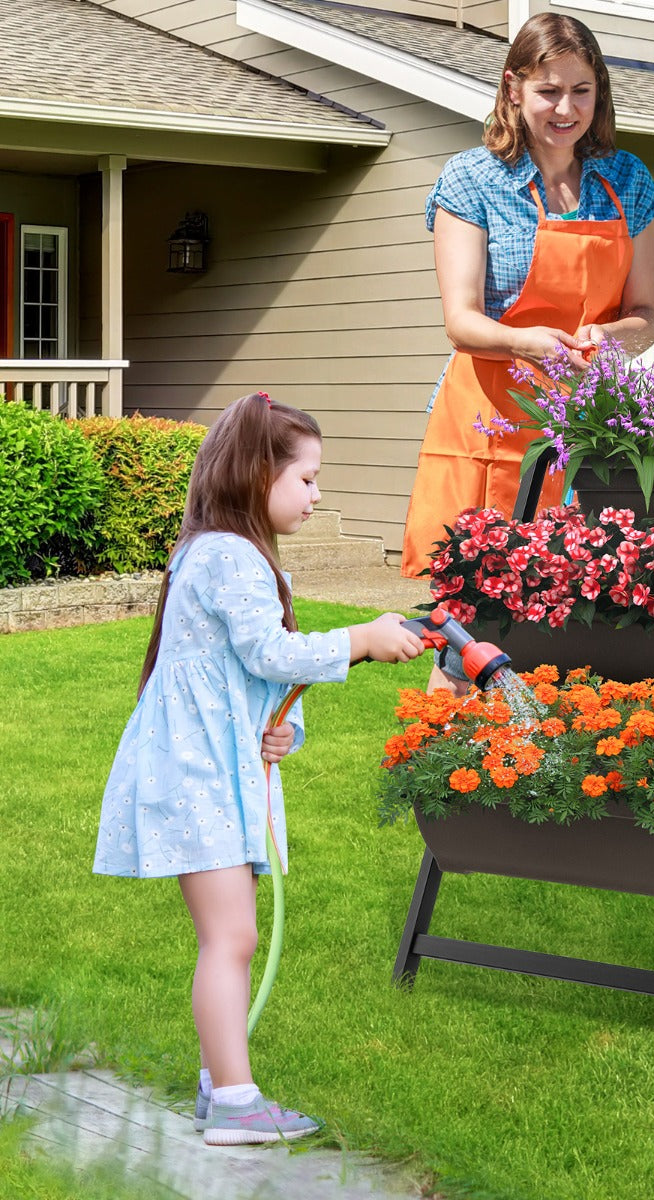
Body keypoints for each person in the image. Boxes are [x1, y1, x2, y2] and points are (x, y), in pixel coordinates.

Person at [93, 391, 427, 1147]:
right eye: (306, 479)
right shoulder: (226, 554)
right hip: (196, 771)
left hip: (211, 765)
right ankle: (236, 1102)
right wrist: (362, 638)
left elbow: (258, 677)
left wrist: (284, 732)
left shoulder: (227, 554)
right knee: (230, 938)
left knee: (232, 936)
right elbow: (272, 654)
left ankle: (226, 1087)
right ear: (256, 474)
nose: (317, 495)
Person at [400, 11, 654, 600]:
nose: (565, 109)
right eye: (548, 91)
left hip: (592, 421)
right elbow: (460, 320)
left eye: (581, 91)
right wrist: (531, 342)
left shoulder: (628, 179)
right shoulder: (473, 179)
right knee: (471, 616)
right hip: (489, 416)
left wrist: (608, 338)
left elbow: (646, 313)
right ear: (513, 89)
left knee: (582, 602)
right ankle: (449, 699)